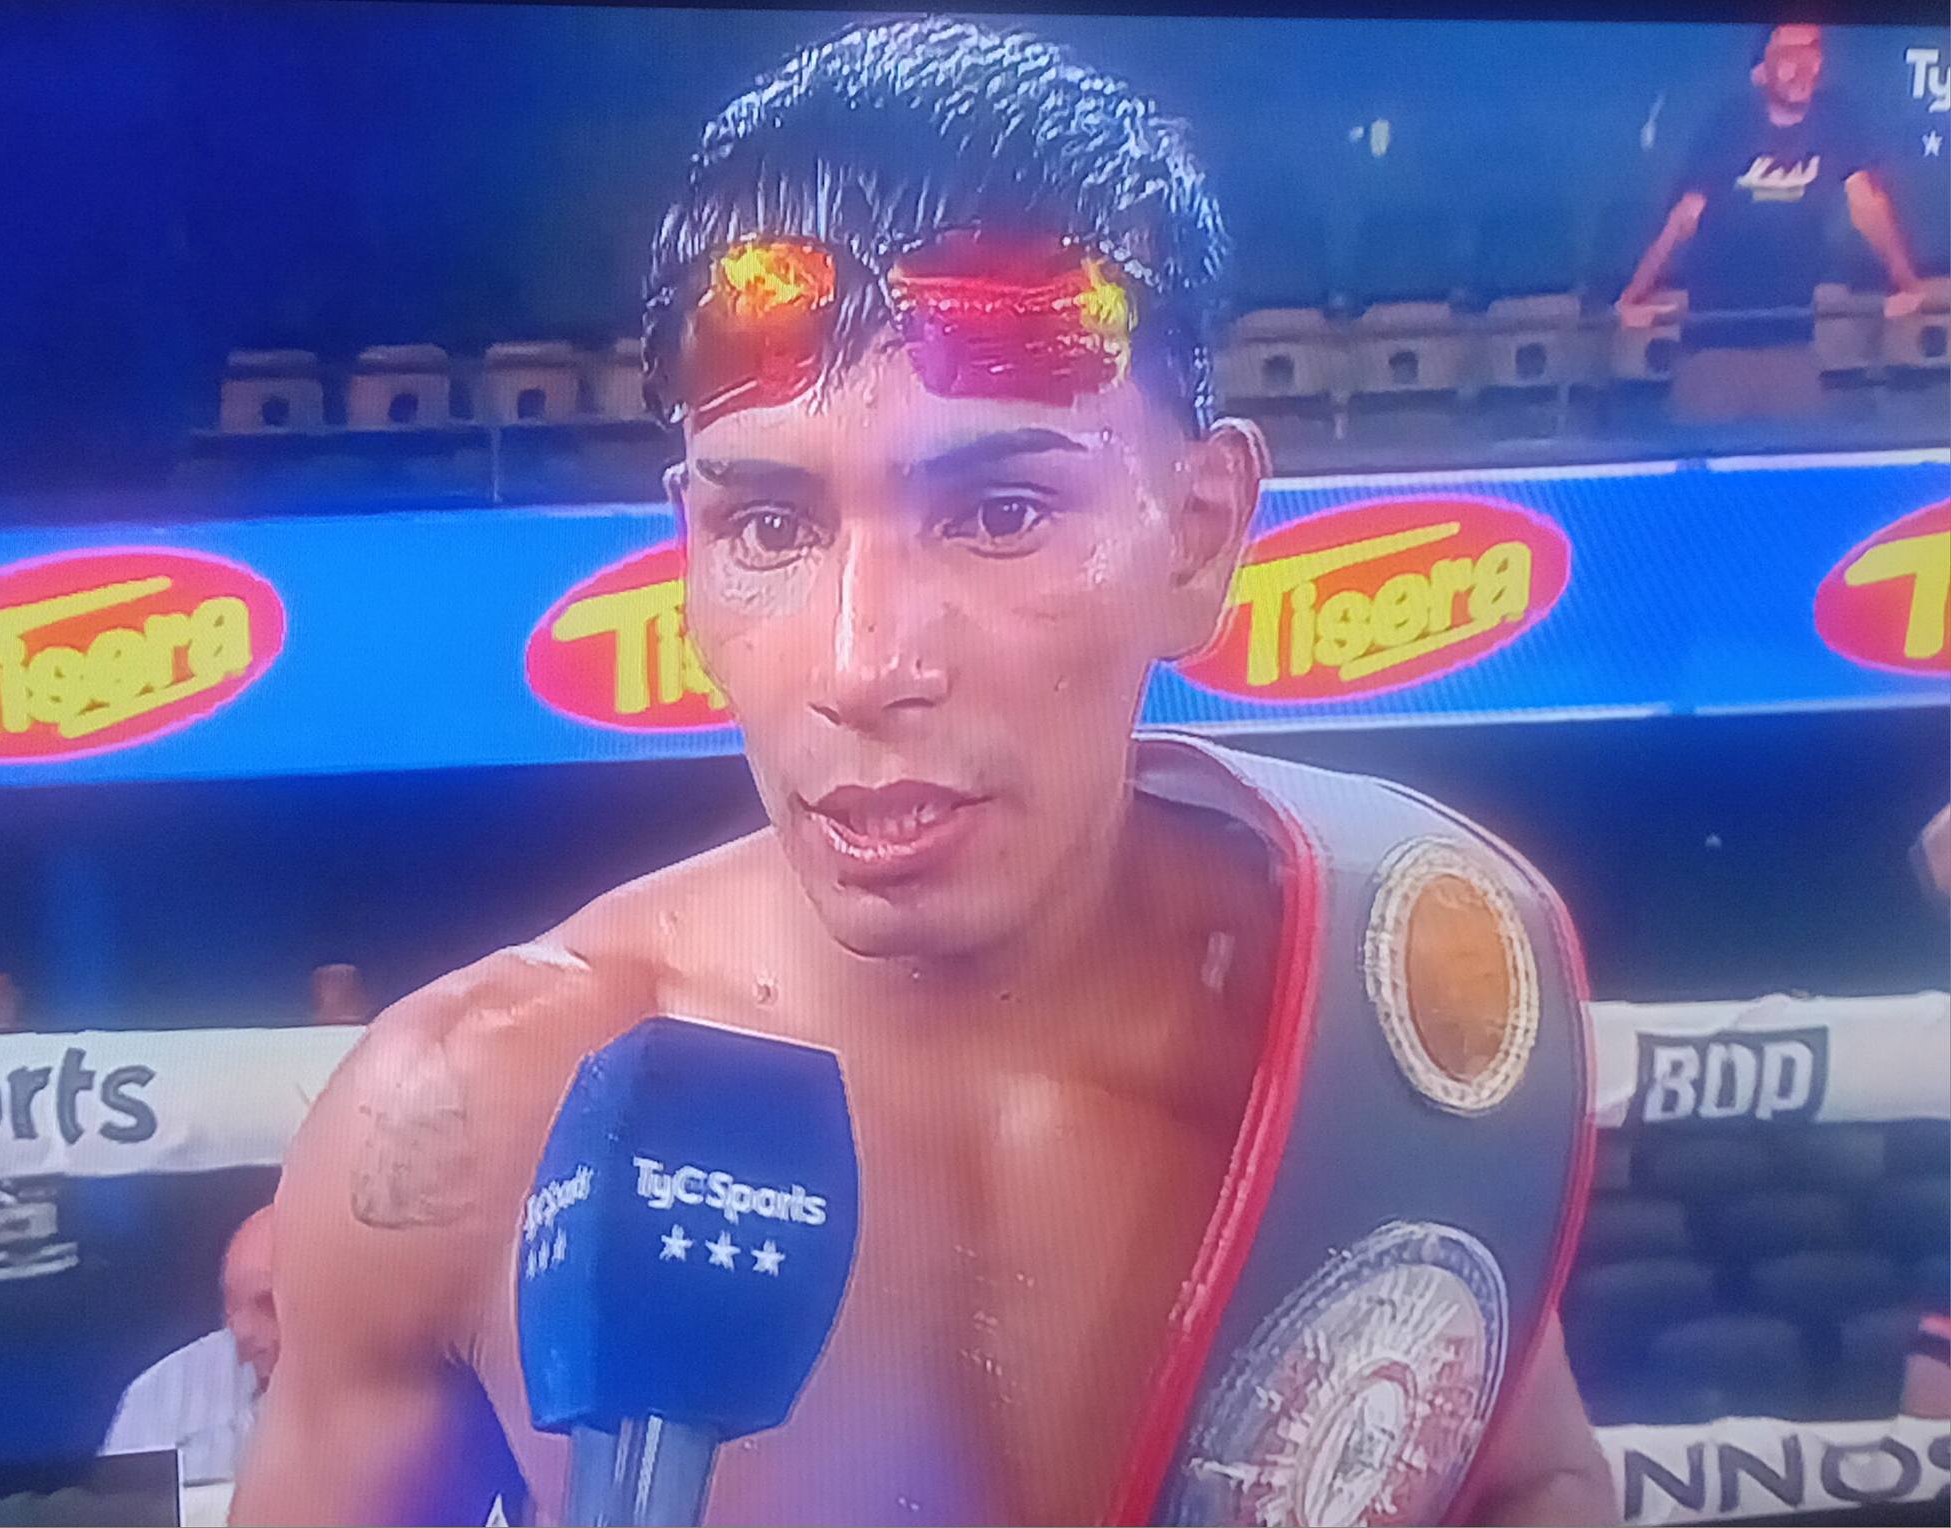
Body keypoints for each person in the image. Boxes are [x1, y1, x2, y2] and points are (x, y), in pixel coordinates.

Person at [233, 19, 1612, 1525]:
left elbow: (1526, 1477)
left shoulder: (1404, 1005)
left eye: (1001, 511)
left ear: (1199, 535)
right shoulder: (462, 1121)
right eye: (771, 526)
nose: (861, 662)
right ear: (689, 549)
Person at [1618, 24, 1927, 425]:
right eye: (1787, 53)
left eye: (1812, 50)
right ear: (1760, 71)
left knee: (1798, 453)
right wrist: (1633, 296)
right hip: (1713, 345)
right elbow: (1684, 218)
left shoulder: (1837, 121)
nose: (1802, 65)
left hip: (1792, 344)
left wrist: (1907, 284)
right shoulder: (1728, 126)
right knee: (1704, 456)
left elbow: (1868, 205)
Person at [103, 1206, 277, 1488]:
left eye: (267, 1303)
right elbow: (119, 1508)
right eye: (233, 1307)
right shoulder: (159, 1396)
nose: (242, 1332)